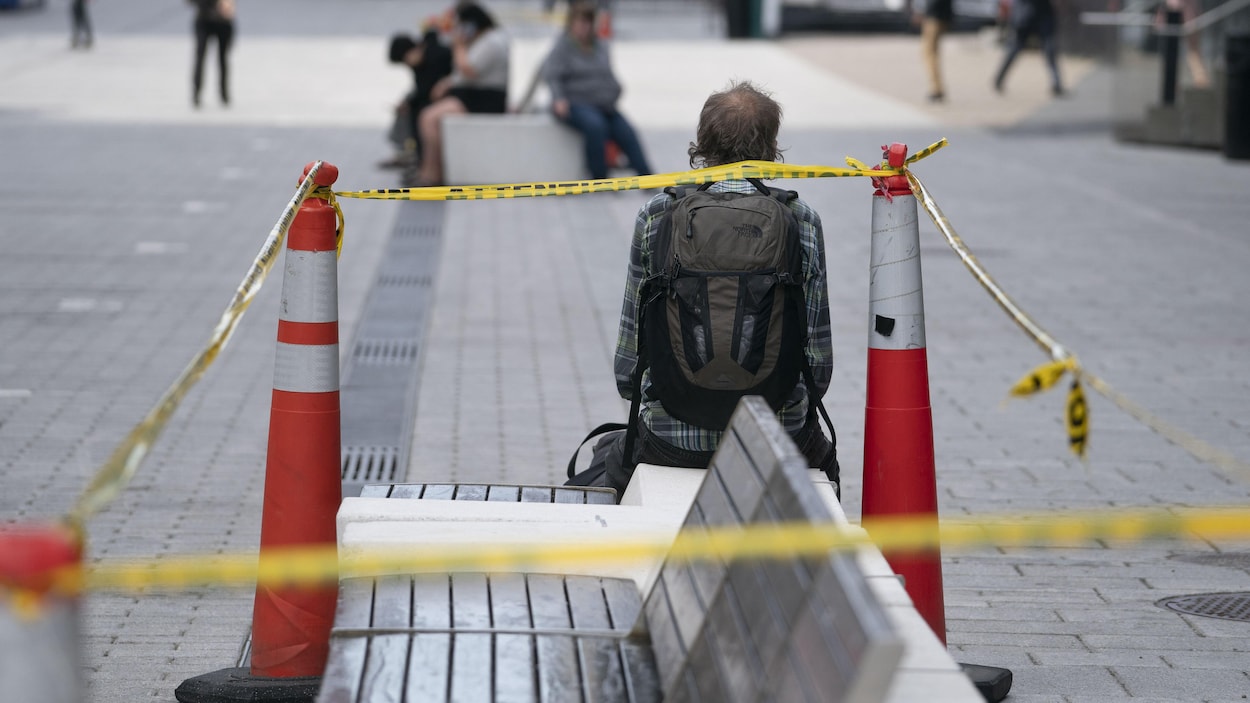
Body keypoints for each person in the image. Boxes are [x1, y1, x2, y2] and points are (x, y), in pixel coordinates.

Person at [594, 81, 838, 500]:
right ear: (772, 146)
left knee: (605, 453)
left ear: (702, 143)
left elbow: (628, 363)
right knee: (827, 463)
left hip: (671, 440)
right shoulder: (800, 220)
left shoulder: (658, 215)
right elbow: (818, 365)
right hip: (777, 439)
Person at [542, 1, 651, 180]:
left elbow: (608, 74)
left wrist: (615, 90)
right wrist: (558, 98)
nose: (583, 28)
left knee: (626, 131)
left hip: (604, 104)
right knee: (595, 126)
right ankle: (599, 177)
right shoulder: (563, 47)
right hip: (577, 102)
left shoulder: (600, 46)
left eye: (587, 23)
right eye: (579, 23)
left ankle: (646, 177)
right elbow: (552, 75)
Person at [414, 3, 510, 187]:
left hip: (485, 100)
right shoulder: (484, 39)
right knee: (427, 113)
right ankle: (427, 169)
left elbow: (468, 69)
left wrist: (458, 45)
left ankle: (433, 174)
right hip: (474, 95)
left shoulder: (492, 42)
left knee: (429, 118)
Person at [383, 27, 453, 170]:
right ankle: (407, 152)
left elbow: (427, 88)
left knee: (417, 112)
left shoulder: (435, 55)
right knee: (407, 106)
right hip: (432, 96)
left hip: (446, 96)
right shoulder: (422, 59)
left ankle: (419, 159)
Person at [993, 0, 1063, 96]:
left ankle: (1057, 83)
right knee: (1015, 49)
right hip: (1026, 13)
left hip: (1043, 14)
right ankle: (999, 79)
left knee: (1049, 50)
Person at [189, 0, 236, 108]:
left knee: (223, 59)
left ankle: (224, 94)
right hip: (203, 19)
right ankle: (196, 93)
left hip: (223, 21)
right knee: (200, 57)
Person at [917, 0, 952, 102]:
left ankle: (936, 89)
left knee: (929, 54)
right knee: (932, 54)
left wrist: (924, 13)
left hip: (933, 17)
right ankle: (937, 88)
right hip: (941, 16)